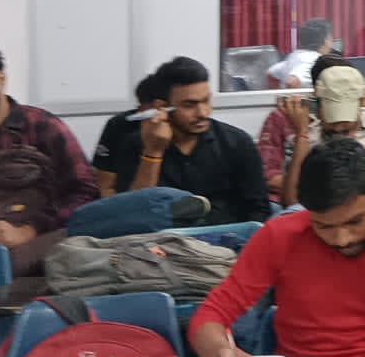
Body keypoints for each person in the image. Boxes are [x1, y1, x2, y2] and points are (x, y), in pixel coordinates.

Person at [189, 139, 365, 357]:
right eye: (323, 226)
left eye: (355, 221)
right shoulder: (281, 235)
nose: (342, 239)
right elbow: (211, 314)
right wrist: (220, 353)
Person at [0, 37, 99, 249]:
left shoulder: (41, 126)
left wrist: (31, 230)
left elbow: (86, 192)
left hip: (40, 247)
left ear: (0, 79)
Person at [110, 57, 270, 225]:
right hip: (163, 238)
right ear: (161, 107)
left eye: (206, 101)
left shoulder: (237, 143)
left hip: (229, 236)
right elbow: (132, 215)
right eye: (189, 105)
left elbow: (258, 210)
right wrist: (153, 152)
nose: (202, 113)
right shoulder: (134, 145)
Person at [261, 56, 365, 204]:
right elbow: (291, 200)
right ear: (317, 103)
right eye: (333, 119)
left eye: (346, 120)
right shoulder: (305, 136)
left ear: (360, 102)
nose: (339, 127)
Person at [92, 72, 170, 198]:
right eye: (139, 106)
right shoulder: (119, 125)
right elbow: (105, 187)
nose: (139, 111)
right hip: (126, 201)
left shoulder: (187, 130)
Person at [266, 18, 333, 89]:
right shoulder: (314, 59)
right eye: (330, 38)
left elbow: (271, 73)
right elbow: (291, 82)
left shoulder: (296, 55)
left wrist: (276, 93)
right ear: (326, 40)